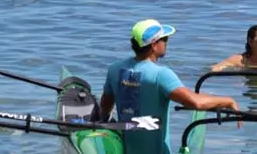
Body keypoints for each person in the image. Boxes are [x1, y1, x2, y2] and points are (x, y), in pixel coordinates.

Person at [100, 19, 239, 154]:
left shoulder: (115, 70)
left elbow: (105, 108)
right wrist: (228, 100)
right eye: (164, 39)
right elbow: (195, 102)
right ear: (154, 45)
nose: (166, 43)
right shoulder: (160, 75)